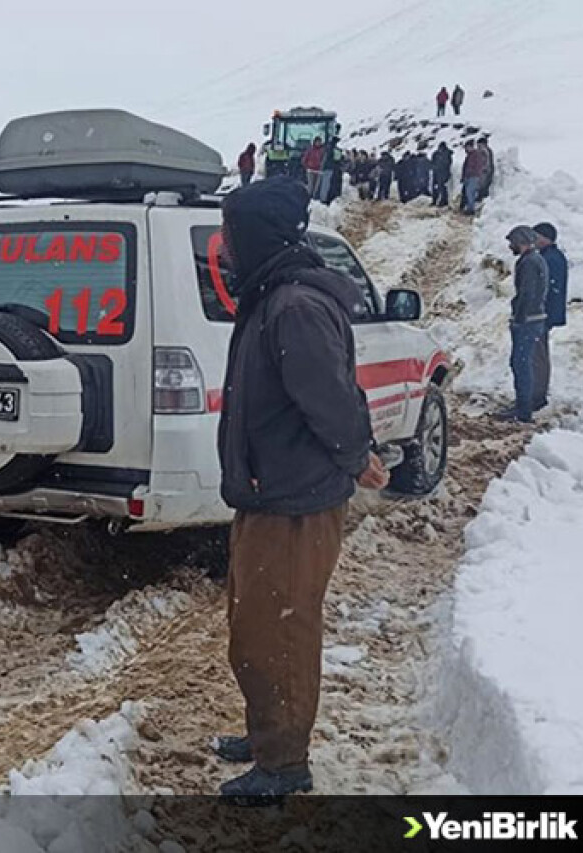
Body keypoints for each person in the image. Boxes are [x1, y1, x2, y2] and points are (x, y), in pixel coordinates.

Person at [212, 177, 386, 797]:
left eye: (231, 235)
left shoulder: (295, 305)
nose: (224, 248)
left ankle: (284, 764)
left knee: (279, 630)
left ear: (255, 235)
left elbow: (332, 401)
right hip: (270, 492)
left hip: (295, 498)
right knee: (252, 623)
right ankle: (269, 733)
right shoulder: (272, 295)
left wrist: (357, 455)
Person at [498, 226, 549, 424]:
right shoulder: (536, 259)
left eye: (512, 242)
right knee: (522, 362)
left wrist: (518, 318)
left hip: (527, 321)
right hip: (534, 319)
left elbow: (527, 293)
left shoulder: (528, 262)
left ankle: (523, 410)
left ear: (520, 242)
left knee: (521, 363)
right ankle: (522, 406)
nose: (510, 246)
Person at [532, 223, 568, 412]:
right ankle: (537, 393)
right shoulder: (552, 256)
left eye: (536, 236)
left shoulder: (549, 259)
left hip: (541, 316)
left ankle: (537, 396)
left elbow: (548, 290)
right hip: (545, 315)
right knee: (539, 354)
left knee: (537, 355)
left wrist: (541, 313)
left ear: (545, 238)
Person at [461, 141, 487, 215]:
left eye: (468, 147)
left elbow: (479, 166)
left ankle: (471, 209)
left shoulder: (476, 155)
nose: (466, 149)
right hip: (469, 176)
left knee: (470, 192)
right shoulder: (469, 155)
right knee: (468, 192)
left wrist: (474, 172)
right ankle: (469, 207)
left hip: (474, 176)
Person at [431, 142, 453, 207]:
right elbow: (433, 162)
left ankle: (443, 201)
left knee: (442, 187)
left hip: (443, 173)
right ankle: (435, 200)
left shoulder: (447, 154)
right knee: (435, 187)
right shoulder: (436, 154)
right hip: (437, 173)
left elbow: (447, 164)